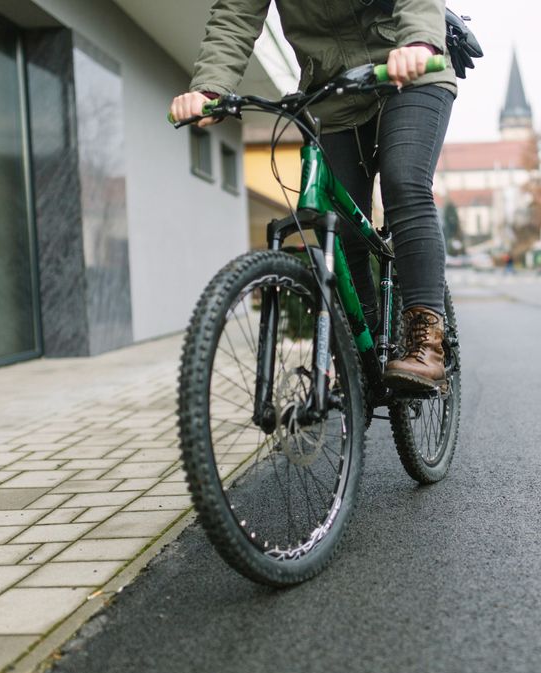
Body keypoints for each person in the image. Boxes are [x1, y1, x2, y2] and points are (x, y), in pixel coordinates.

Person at [170, 1, 456, 391]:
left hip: (408, 69)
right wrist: (209, 87)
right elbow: (234, 14)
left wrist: (419, 40)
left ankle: (426, 341)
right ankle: (363, 353)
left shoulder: (414, 51)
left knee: (403, 183)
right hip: (331, 93)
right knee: (339, 226)